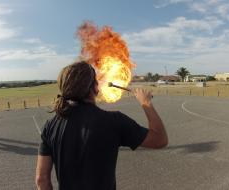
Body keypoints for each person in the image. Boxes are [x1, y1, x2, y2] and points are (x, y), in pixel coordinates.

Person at [36, 61, 168, 190]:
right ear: (94, 87)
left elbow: (42, 180)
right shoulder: (114, 121)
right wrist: (146, 103)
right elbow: (160, 140)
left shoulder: (50, 126)